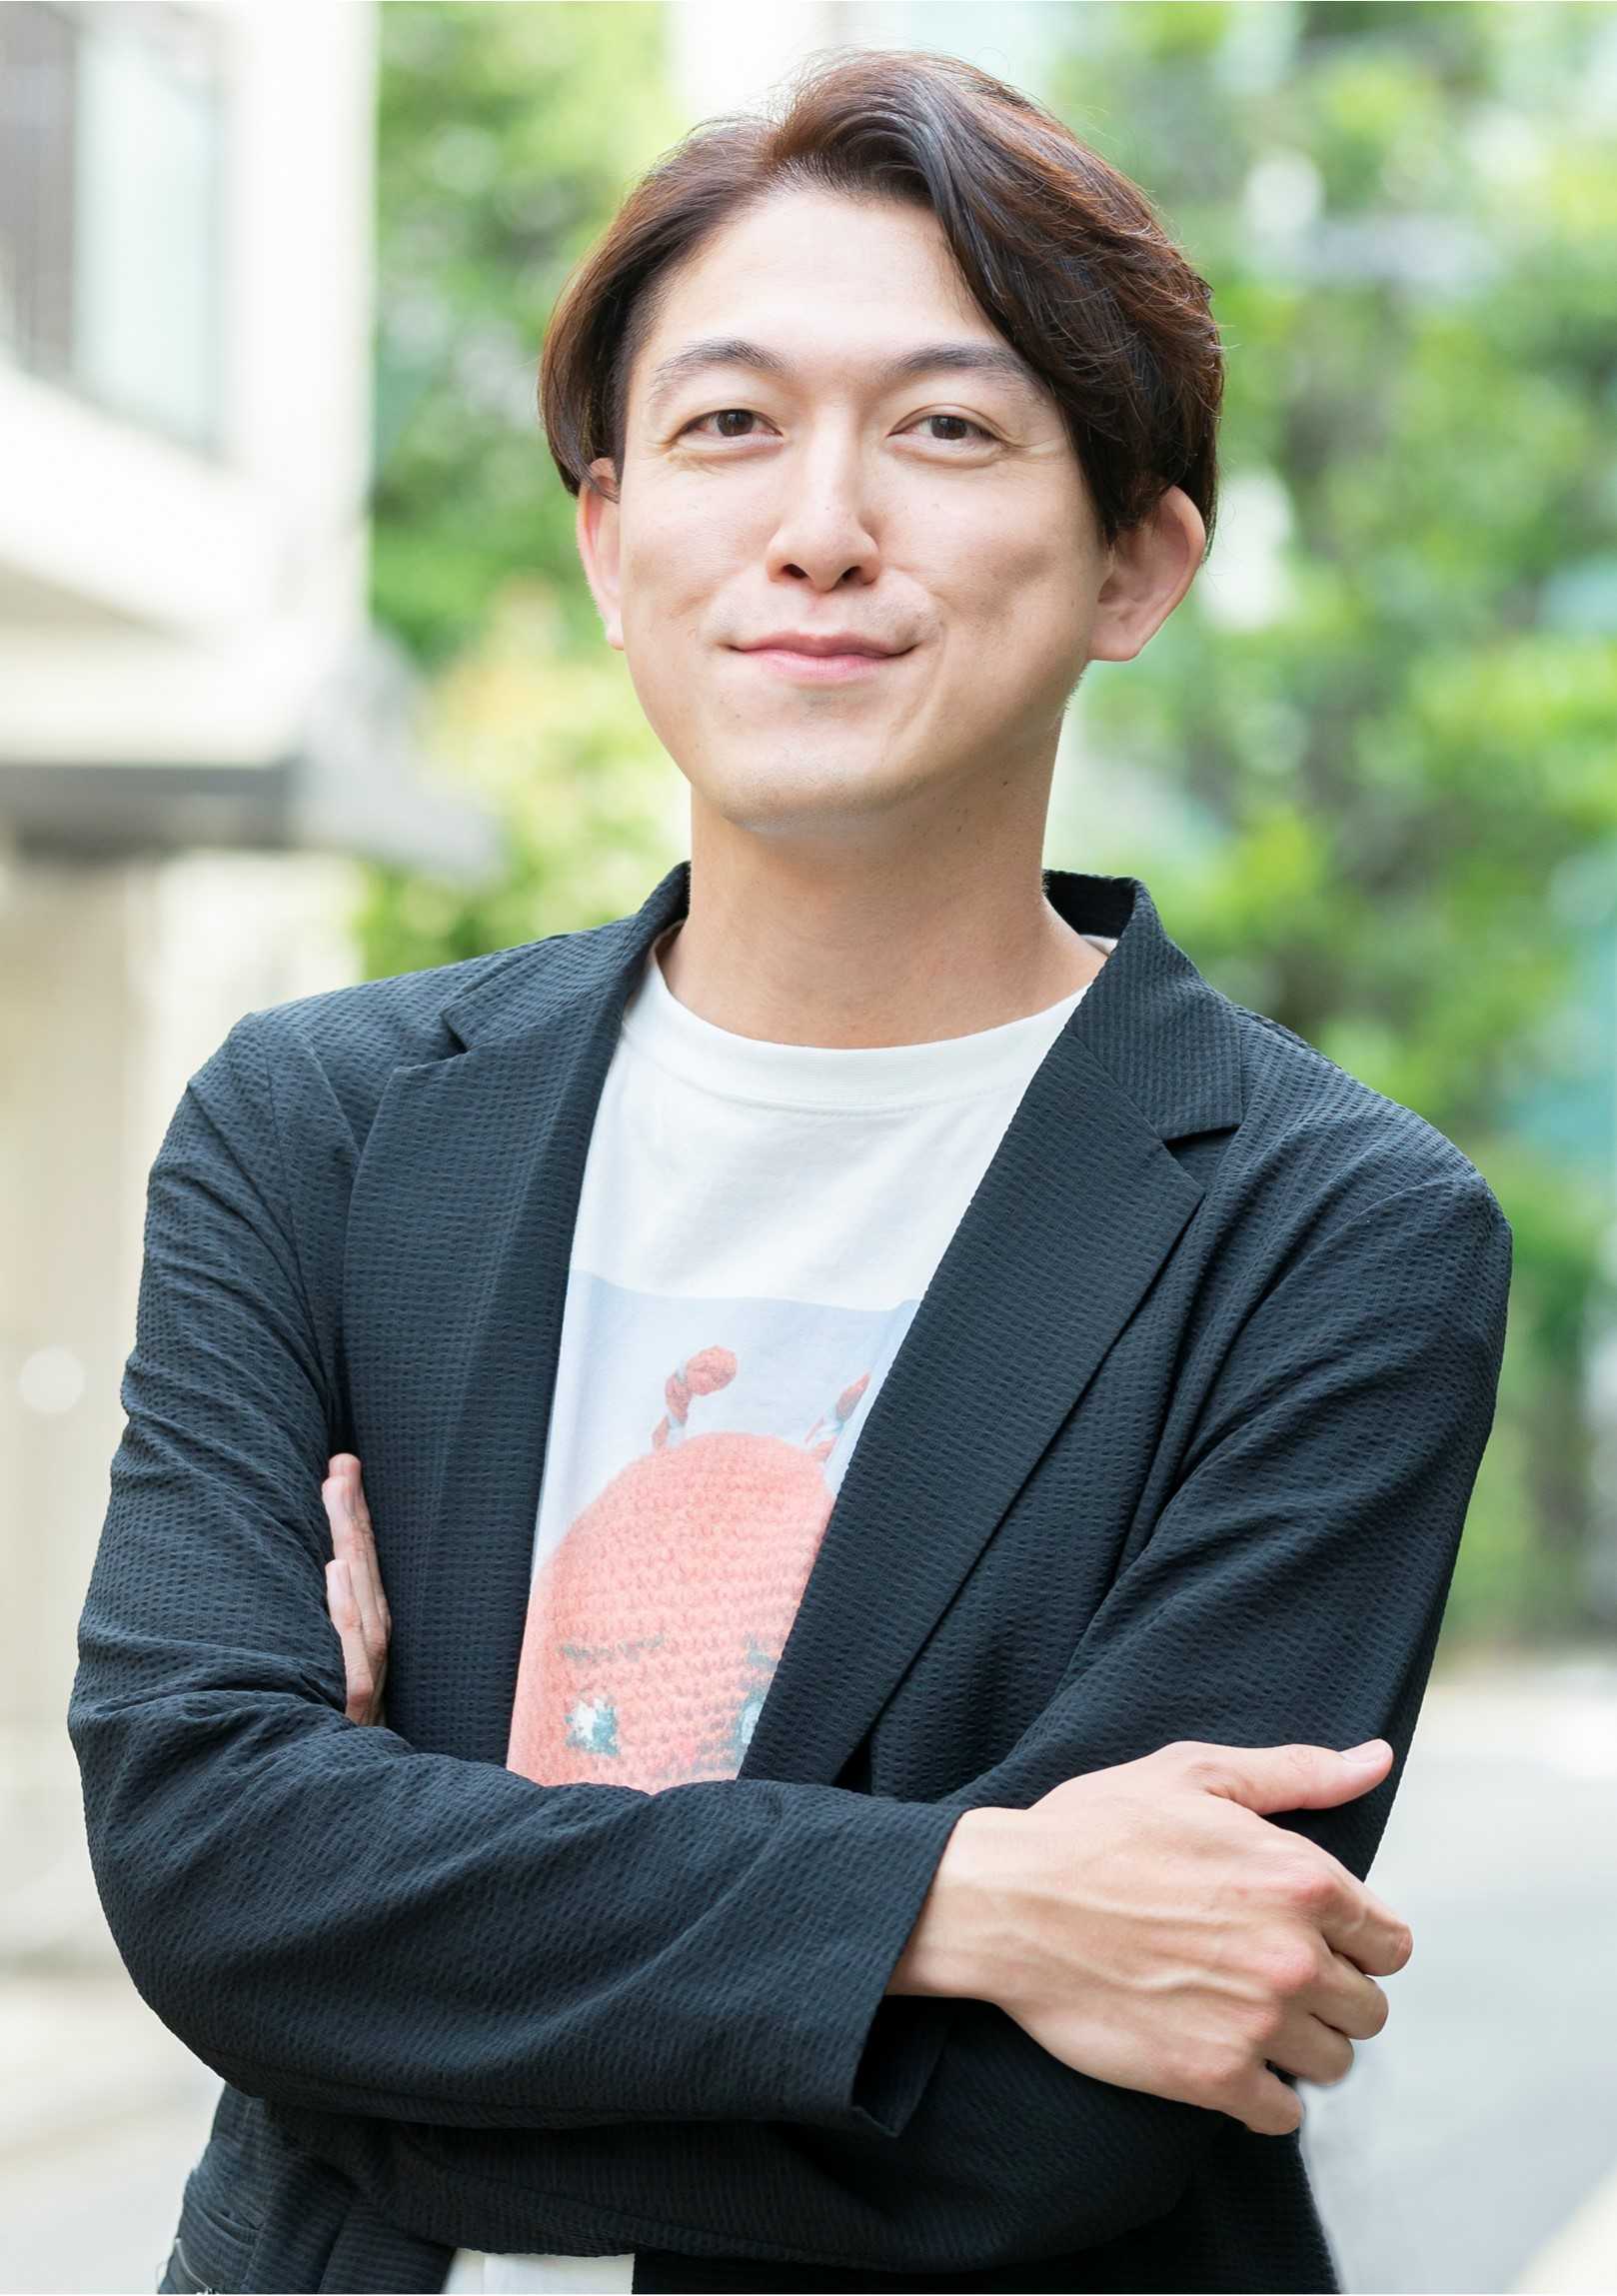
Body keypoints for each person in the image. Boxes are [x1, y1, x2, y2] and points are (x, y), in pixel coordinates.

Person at [69, 45, 1511, 2296]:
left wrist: (387, 1962)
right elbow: (205, 1863)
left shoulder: (1326, 1235)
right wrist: (965, 1899)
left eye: (944, 431)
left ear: (1136, 561)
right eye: (728, 424)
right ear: (606, 533)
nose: (819, 524)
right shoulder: (321, 1128)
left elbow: (1045, 2127)